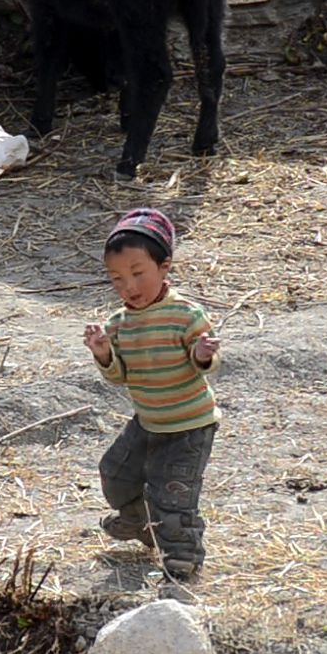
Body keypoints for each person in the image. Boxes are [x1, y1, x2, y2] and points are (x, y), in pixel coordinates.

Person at [83, 208, 222, 580]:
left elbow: (202, 362)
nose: (128, 286)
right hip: (148, 421)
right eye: (117, 279)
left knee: (172, 492)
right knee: (115, 473)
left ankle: (183, 555)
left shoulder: (186, 315)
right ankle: (139, 522)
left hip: (189, 425)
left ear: (164, 267)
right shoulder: (118, 325)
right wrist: (103, 353)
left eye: (137, 273)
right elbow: (119, 377)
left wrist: (203, 354)